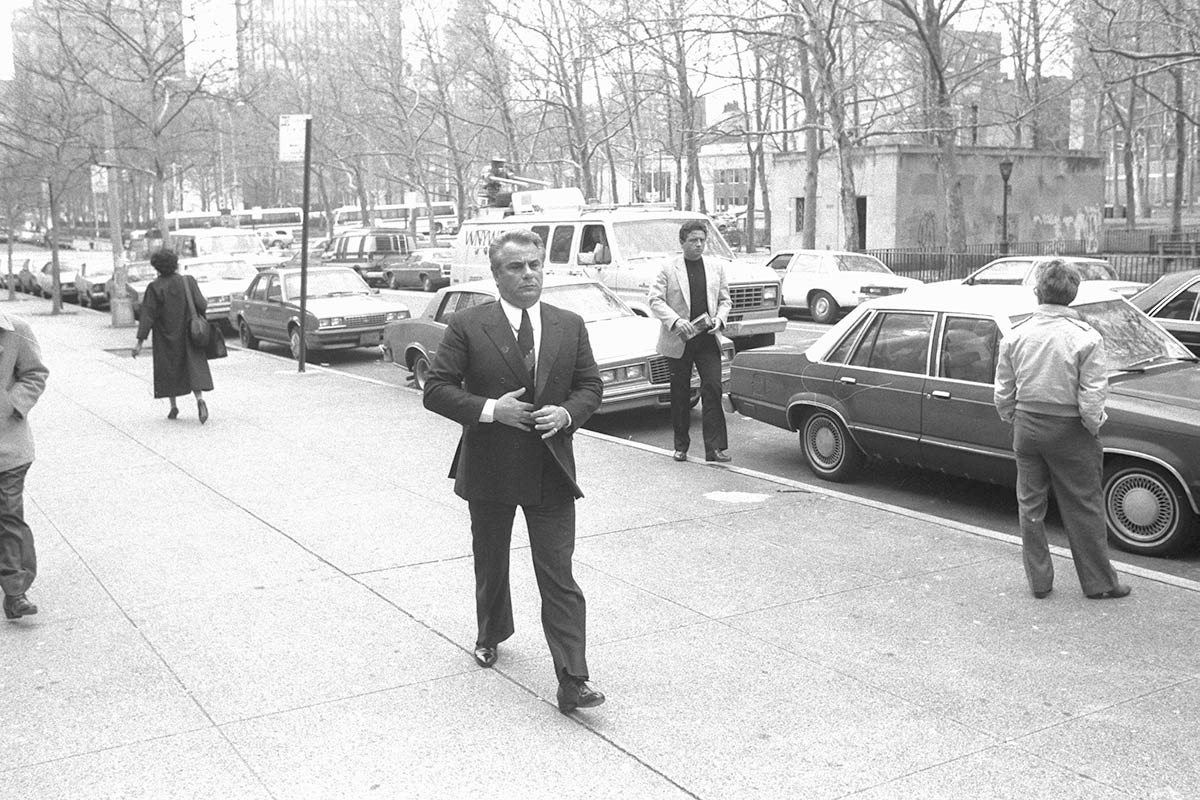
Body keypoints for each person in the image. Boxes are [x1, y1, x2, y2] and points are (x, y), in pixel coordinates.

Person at [423, 229, 606, 714]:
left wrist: (568, 414)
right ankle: (491, 631)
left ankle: (573, 678)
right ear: (496, 274)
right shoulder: (467, 324)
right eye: (515, 267)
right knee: (492, 559)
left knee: (559, 574)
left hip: (551, 470)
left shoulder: (568, 323)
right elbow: (436, 389)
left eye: (535, 265)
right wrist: (488, 409)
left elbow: (590, 386)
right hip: (490, 468)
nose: (528, 275)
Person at [994, 260, 1131, 601]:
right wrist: (1092, 426)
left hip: (1026, 425)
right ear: (1073, 295)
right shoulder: (1086, 338)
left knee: (1030, 506)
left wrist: (1012, 415)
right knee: (1084, 505)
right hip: (1070, 428)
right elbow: (1092, 394)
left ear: (1038, 292)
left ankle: (1040, 582)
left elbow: (1002, 390)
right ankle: (1100, 582)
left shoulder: (1016, 335)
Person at [648, 220, 732, 463]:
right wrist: (675, 321)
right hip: (679, 340)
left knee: (713, 388)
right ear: (682, 242)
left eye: (702, 240)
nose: (699, 245)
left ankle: (714, 448)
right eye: (693, 240)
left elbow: (725, 299)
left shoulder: (716, 267)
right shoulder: (668, 268)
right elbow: (655, 300)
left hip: (707, 339)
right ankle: (680, 445)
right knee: (680, 392)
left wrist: (720, 318)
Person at [0, 311, 49, 620]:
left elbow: (35, 373)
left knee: (8, 512)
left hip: (8, 446)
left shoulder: (16, 330)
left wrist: (12, 404)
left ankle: (15, 591)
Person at [131, 249, 213, 423]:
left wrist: (139, 342)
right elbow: (202, 304)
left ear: (157, 267)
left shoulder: (154, 287)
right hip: (189, 333)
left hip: (165, 335)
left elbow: (148, 316)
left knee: (169, 369)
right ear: (175, 263)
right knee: (193, 367)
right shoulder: (187, 281)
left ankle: (173, 407)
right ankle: (200, 400)